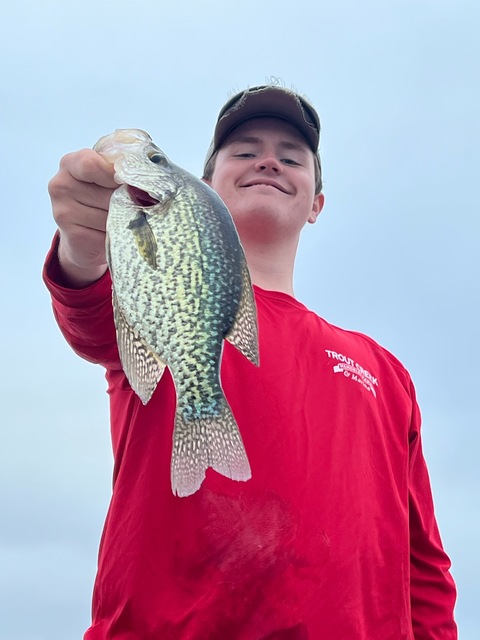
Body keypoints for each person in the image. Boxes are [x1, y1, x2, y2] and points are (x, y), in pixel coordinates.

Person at [44, 84, 457, 639]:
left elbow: (424, 563)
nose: (269, 160)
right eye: (244, 151)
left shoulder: (384, 372)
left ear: (316, 205)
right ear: (205, 188)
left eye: (292, 157)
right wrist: (83, 244)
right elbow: (90, 313)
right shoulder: (155, 295)